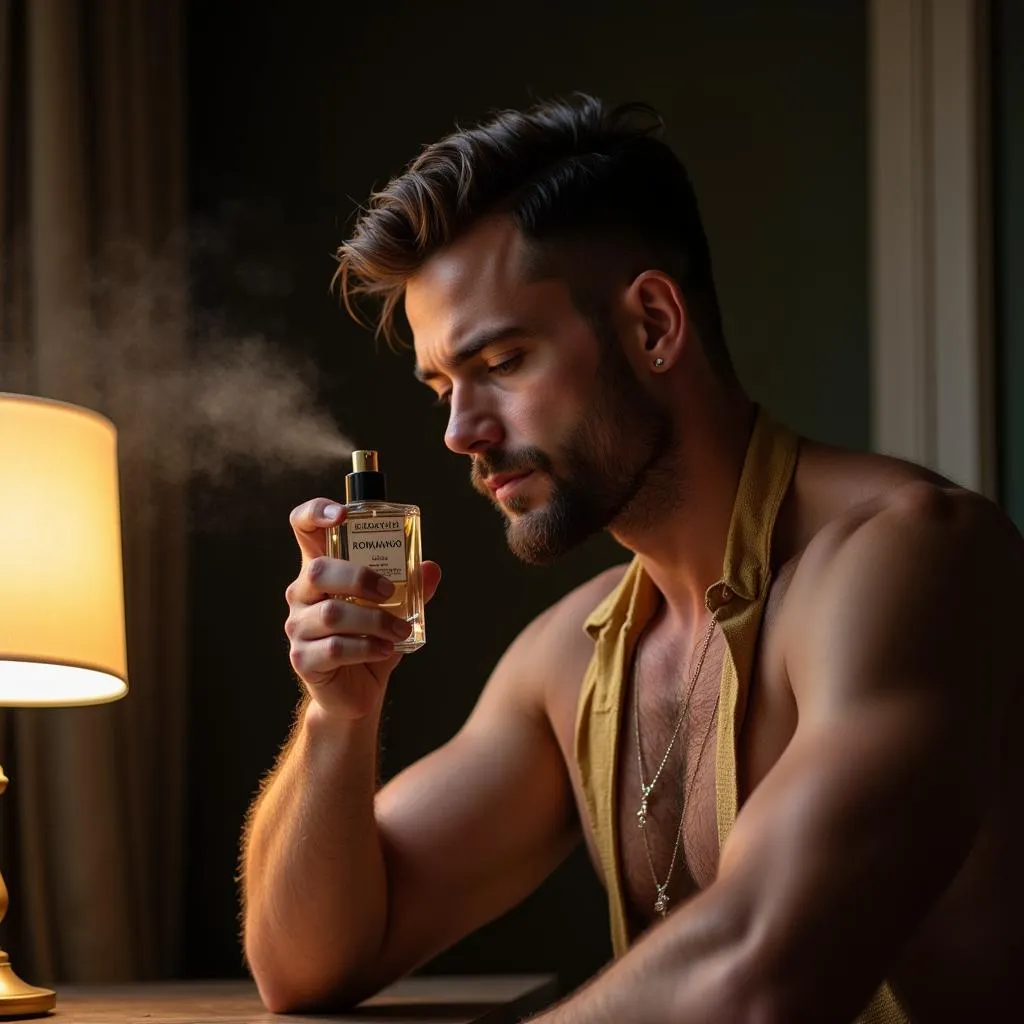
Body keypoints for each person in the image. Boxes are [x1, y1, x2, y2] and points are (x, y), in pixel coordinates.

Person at [239, 95, 1024, 1023]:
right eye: (442, 386)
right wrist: (338, 710)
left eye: (502, 362)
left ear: (653, 325)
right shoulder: (568, 659)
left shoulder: (912, 558)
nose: (459, 432)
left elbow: (757, 975)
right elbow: (309, 964)